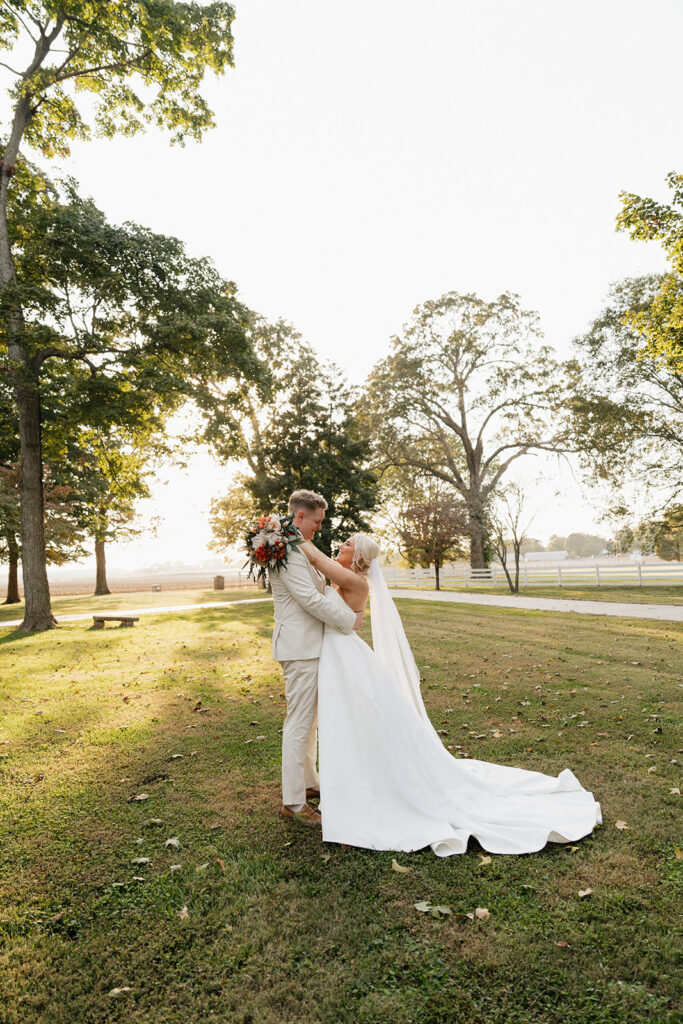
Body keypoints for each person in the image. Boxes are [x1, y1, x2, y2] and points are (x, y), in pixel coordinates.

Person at [299, 533, 602, 856]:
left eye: (347, 544)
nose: (341, 545)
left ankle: (361, 790)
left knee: (355, 725)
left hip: (345, 657)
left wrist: (285, 534)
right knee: (348, 726)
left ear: (358, 557)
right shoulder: (347, 577)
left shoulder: (354, 580)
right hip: (338, 656)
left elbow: (317, 560)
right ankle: (345, 787)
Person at [270, 490, 361, 826]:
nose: (319, 529)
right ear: (300, 517)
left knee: (309, 722)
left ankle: (307, 783)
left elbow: (319, 590)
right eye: (317, 522)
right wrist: (349, 621)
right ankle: (293, 804)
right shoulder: (289, 553)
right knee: (298, 723)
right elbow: (309, 599)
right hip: (299, 647)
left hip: (309, 645)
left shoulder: (296, 547)